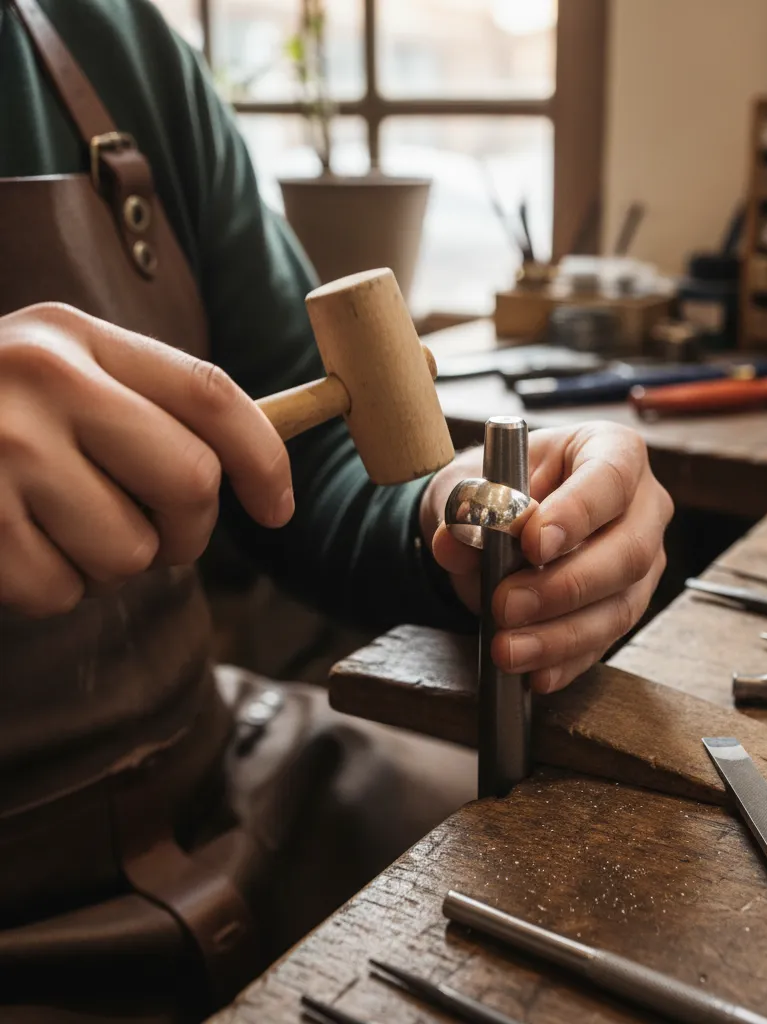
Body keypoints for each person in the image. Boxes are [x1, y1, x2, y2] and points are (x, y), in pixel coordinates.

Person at [0, 0, 673, 1019]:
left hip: (214, 782)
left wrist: (456, 507)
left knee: (638, 901)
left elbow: (310, 461)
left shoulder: (106, 43)